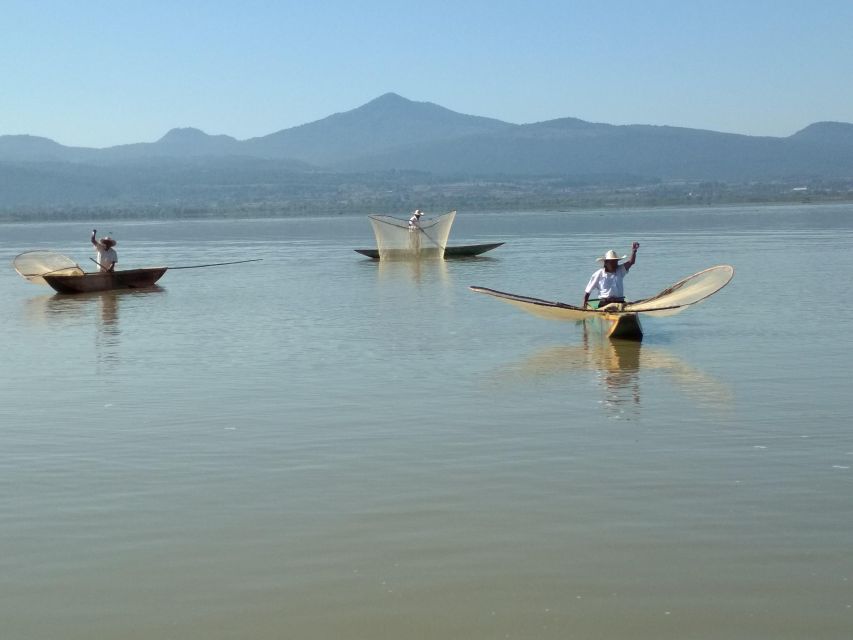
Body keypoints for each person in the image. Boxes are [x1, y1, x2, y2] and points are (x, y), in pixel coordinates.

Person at [582, 242, 640, 309]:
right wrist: (584, 306)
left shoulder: (620, 270)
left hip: (619, 302)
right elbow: (588, 291)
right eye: (612, 262)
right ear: (606, 263)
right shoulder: (598, 274)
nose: (614, 264)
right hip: (605, 304)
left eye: (616, 262)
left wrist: (634, 251)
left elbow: (631, 262)